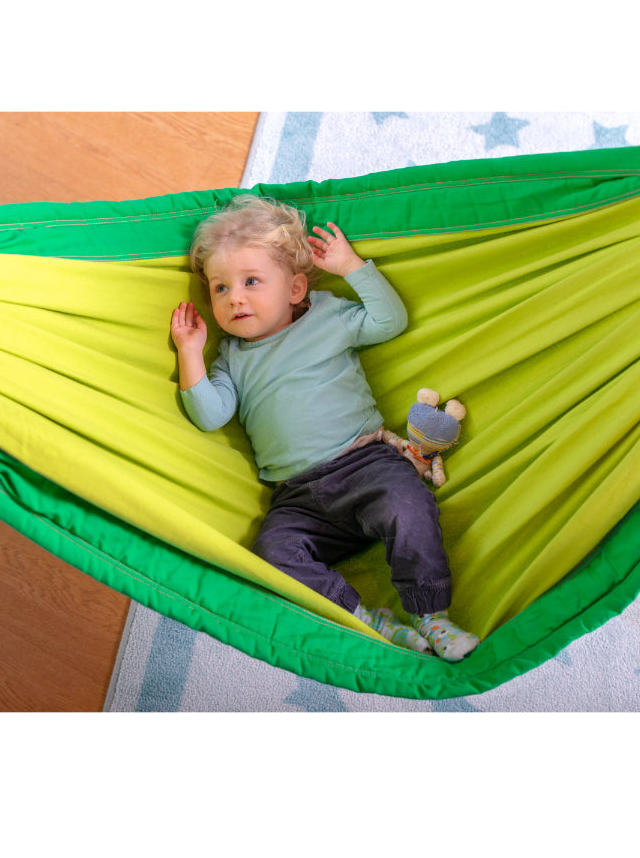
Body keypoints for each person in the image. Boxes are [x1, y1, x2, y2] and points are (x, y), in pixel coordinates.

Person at [170, 194, 479, 661]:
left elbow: (389, 321)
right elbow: (210, 414)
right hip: (298, 497)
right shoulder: (230, 359)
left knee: (408, 503)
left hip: (365, 466)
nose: (235, 297)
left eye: (251, 281)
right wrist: (190, 351)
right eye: (220, 288)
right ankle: (367, 619)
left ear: (295, 289)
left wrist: (351, 266)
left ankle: (432, 616)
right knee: (272, 555)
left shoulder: (328, 315)